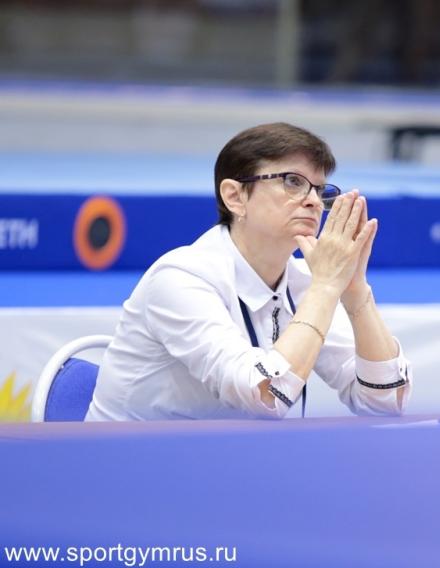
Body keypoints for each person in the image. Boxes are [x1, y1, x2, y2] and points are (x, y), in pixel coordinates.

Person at [85, 122, 411, 420]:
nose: (313, 201)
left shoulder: (306, 281)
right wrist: (326, 288)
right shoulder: (180, 278)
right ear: (235, 197)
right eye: (293, 182)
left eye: (319, 189)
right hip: (132, 462)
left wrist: (354, 291)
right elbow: (265, 396)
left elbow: (384, 402)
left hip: (230, 461)